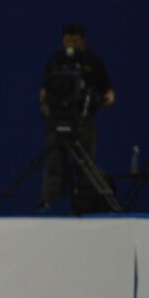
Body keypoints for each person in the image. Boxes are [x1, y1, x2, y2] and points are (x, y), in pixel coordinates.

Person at [39, 22, 115, 211]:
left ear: (82, 41)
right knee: (54, 162)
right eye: (67, 41)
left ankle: (87, 201)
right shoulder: (56, 60)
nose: (71, 45)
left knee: (86, 163)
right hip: (58, 119)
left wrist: (108, 96)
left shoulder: (92, 60)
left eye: (75, 41)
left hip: (83, 120)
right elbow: (45, 89)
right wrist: (45, 103)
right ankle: (47, 203)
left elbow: (107, 89)